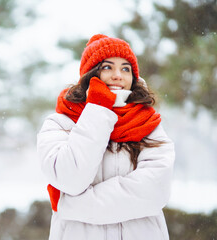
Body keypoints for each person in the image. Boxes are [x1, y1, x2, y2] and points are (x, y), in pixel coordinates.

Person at [37, 34, 175, 240]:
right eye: (107, 67)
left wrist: (72, 204)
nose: (118, 75)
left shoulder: (148, 125)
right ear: (90, 74)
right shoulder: (60, 124)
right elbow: (71, 179)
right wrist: (98, 109)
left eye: (125, 68)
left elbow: (153, 191)